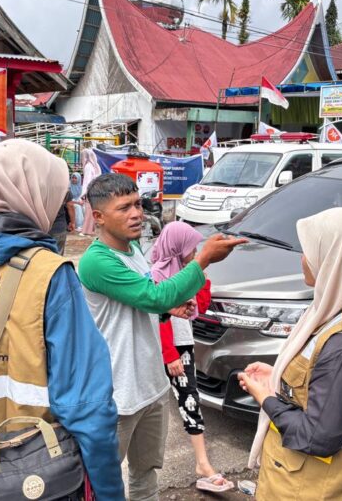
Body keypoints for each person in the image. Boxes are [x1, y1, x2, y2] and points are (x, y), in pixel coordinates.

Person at [0, 139, 125, 499]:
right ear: (38, 193)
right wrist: (109, 491)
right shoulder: (50, 274)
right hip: (31, 478)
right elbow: (86, 405)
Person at [78, 173, 246, 501]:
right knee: (104, 485)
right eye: (124, 207)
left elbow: (148, 302)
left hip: (152, 388)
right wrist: (203, 258)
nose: (136, 214)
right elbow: (152, 296)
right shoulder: (96, 261)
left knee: (145, 476)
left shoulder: (134, 250)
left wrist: (169, 310)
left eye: (138, 204)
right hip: (118, 395)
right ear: (98, 217)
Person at [238, 207, 342, 501]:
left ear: (336, 260)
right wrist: (278, 377)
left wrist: (267, 399)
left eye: (310, 250)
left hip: (315, 490)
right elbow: (324, 386)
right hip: (313, 482)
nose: (303, 259)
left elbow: (317, 437)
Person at [151, 222, 232, 493]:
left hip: (182, 342)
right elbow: (158, 315)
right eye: (191, 247)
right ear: (176, 246)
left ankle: (202, 464)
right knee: (153, 406)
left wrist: (202, 274)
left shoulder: (187, 272)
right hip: (164, 348)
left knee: (189, 400)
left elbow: (202, 305)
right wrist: (170, 354)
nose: (195, 251)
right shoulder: (155, 274)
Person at [80, 145, 101, 236]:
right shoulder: (94, 166)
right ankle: (91, 229)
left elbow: (87, 181)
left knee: (88, 211)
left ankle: (86, 230)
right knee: (91, 210)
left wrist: (83, 193)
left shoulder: (88, 167)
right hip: (94, 191)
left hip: (89, 191)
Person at [50, 190, 75, 255]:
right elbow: (70, 206)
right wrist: (72, 222)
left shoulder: (37, 185)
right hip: (58, 226)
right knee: (58, 255)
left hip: (40, 226)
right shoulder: (64, 188)